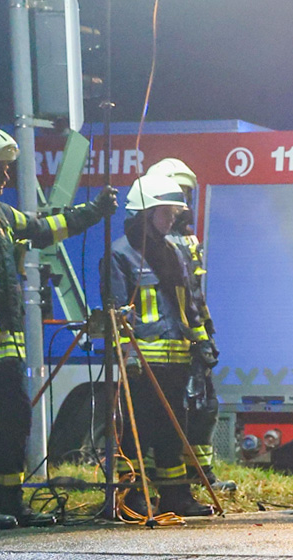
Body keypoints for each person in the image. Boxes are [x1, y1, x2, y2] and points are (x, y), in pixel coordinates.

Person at [0, 125, 116, 529]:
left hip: (2, 343)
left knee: (15, 420)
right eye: (0, 168)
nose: (6, 176)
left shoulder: (1, 215)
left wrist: (94, 211)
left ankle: (8, 502)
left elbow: (45, 228)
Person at [106, 173, 213, 518]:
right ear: (145, 213)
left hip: (176, 361)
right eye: (166, 212)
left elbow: (189, 304)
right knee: (135, 434)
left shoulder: (172, 252)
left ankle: (175, 498)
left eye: (174, 212)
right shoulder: (120, 255)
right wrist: (127, 356)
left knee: (172, 434)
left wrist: (201, 342)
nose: (172, 219)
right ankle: (131, 498)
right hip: (142, 364)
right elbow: (116, 313)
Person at [143, 158, 229, 493]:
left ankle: (199, 473)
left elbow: (195, 295)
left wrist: (205, 334)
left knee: (203, 407)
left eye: (187, 194)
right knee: (172, 413)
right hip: (170, 342)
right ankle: (161, 477)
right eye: (178, 194)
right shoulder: (155, 242)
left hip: (192, 338)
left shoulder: (186, 239)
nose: (183, 203)